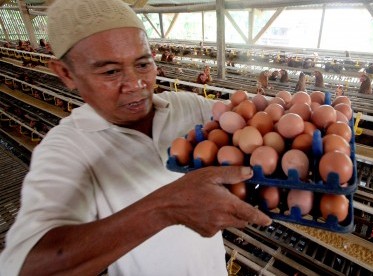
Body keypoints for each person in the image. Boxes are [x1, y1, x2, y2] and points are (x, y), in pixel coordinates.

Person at [0, 0, 271, 275]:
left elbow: (255, 122)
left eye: (143, 64)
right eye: (110, 71)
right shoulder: (65, 149)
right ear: (66, 73)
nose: (135, 85)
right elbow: (22, 267)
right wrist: (166, 207)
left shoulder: (188, 106)